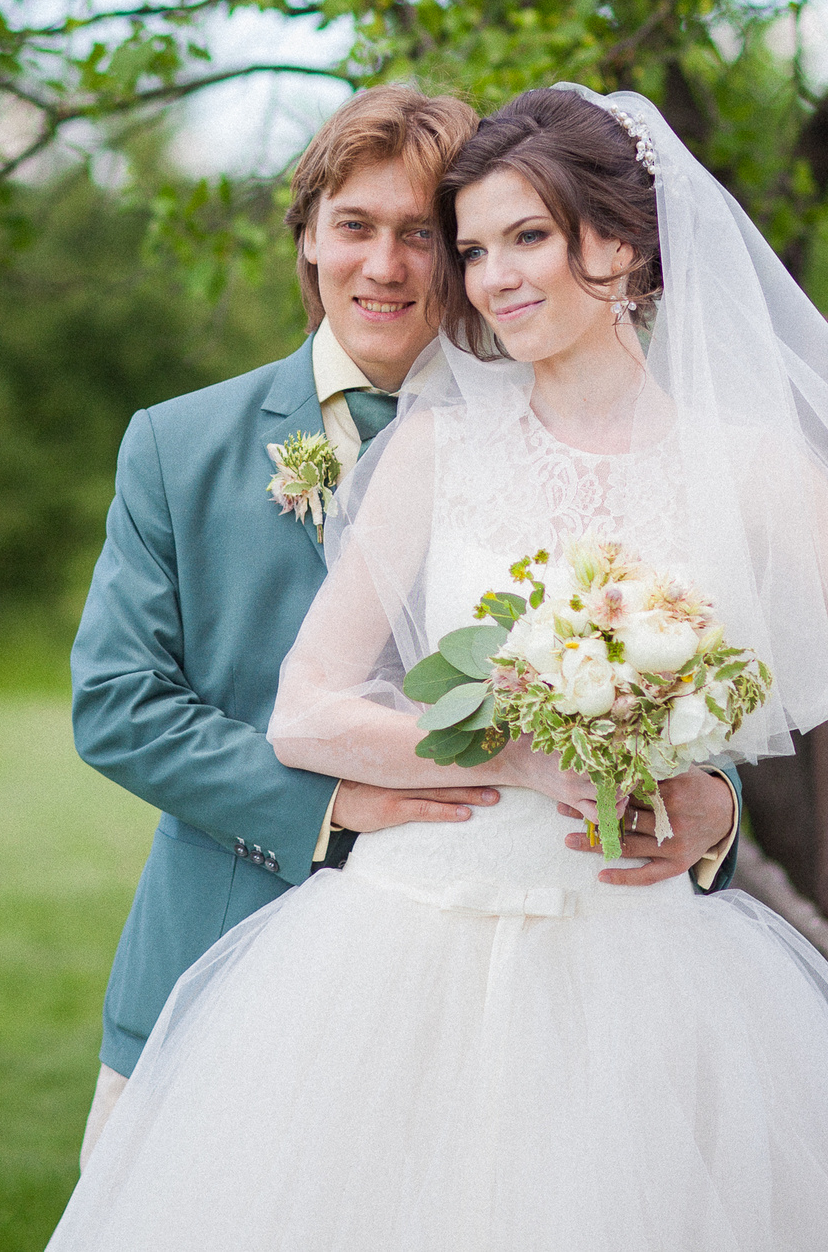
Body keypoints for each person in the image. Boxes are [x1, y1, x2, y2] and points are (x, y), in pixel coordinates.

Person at [49, 85, 828, 1250]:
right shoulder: (432, 443)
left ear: (618, 244)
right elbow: (289, 710)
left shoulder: (750, 465)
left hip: (639, 959)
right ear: (308, 238)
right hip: (395, 950)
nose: (488, 277)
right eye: (474, 248)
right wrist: (519, 753)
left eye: (518, 237)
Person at [68, 84, 747, 1166]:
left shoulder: (578, 429)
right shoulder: (177, 444)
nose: (383, 265)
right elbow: (119, 706)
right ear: (307, 237)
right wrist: (332, 802)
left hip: (518, 1001)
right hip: (215, 958)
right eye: (354, 225)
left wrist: (715, 801)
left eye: (421, 235)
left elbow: (659, 647)